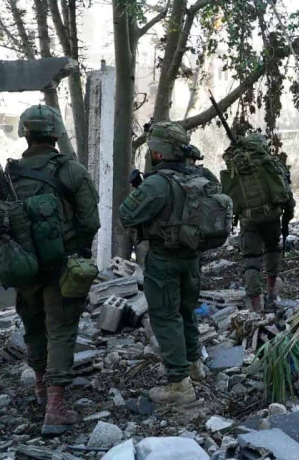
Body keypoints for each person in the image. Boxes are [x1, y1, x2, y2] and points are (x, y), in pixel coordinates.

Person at [0, 104, 100, 436]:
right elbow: (91, 220)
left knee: (34, 326)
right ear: (55, 134)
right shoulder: (72, 171)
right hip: (62, 266)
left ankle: (40, 388)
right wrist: (75, 248)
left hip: (25, 266)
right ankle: (56, 406)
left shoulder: (11, 174)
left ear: (26, 134)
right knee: (61, 329)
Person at [119, 122, 218, 405]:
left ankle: (179, 385)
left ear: (158, 154)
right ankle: (194, 365)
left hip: (164, 260)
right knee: (186, 311)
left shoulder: (157, 183)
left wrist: (139, 190)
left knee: (165, 316)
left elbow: (127, 216)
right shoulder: (201, 176)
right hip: (192, 259)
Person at [224, 133, 295, 311]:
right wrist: (288, 215)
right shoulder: (271, 162)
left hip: (248, 220)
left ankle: (255, 306)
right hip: (271, 217)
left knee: (251, 261)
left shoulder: (236, 165)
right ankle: (271, 293)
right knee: (272, 250)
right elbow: (286, 193)